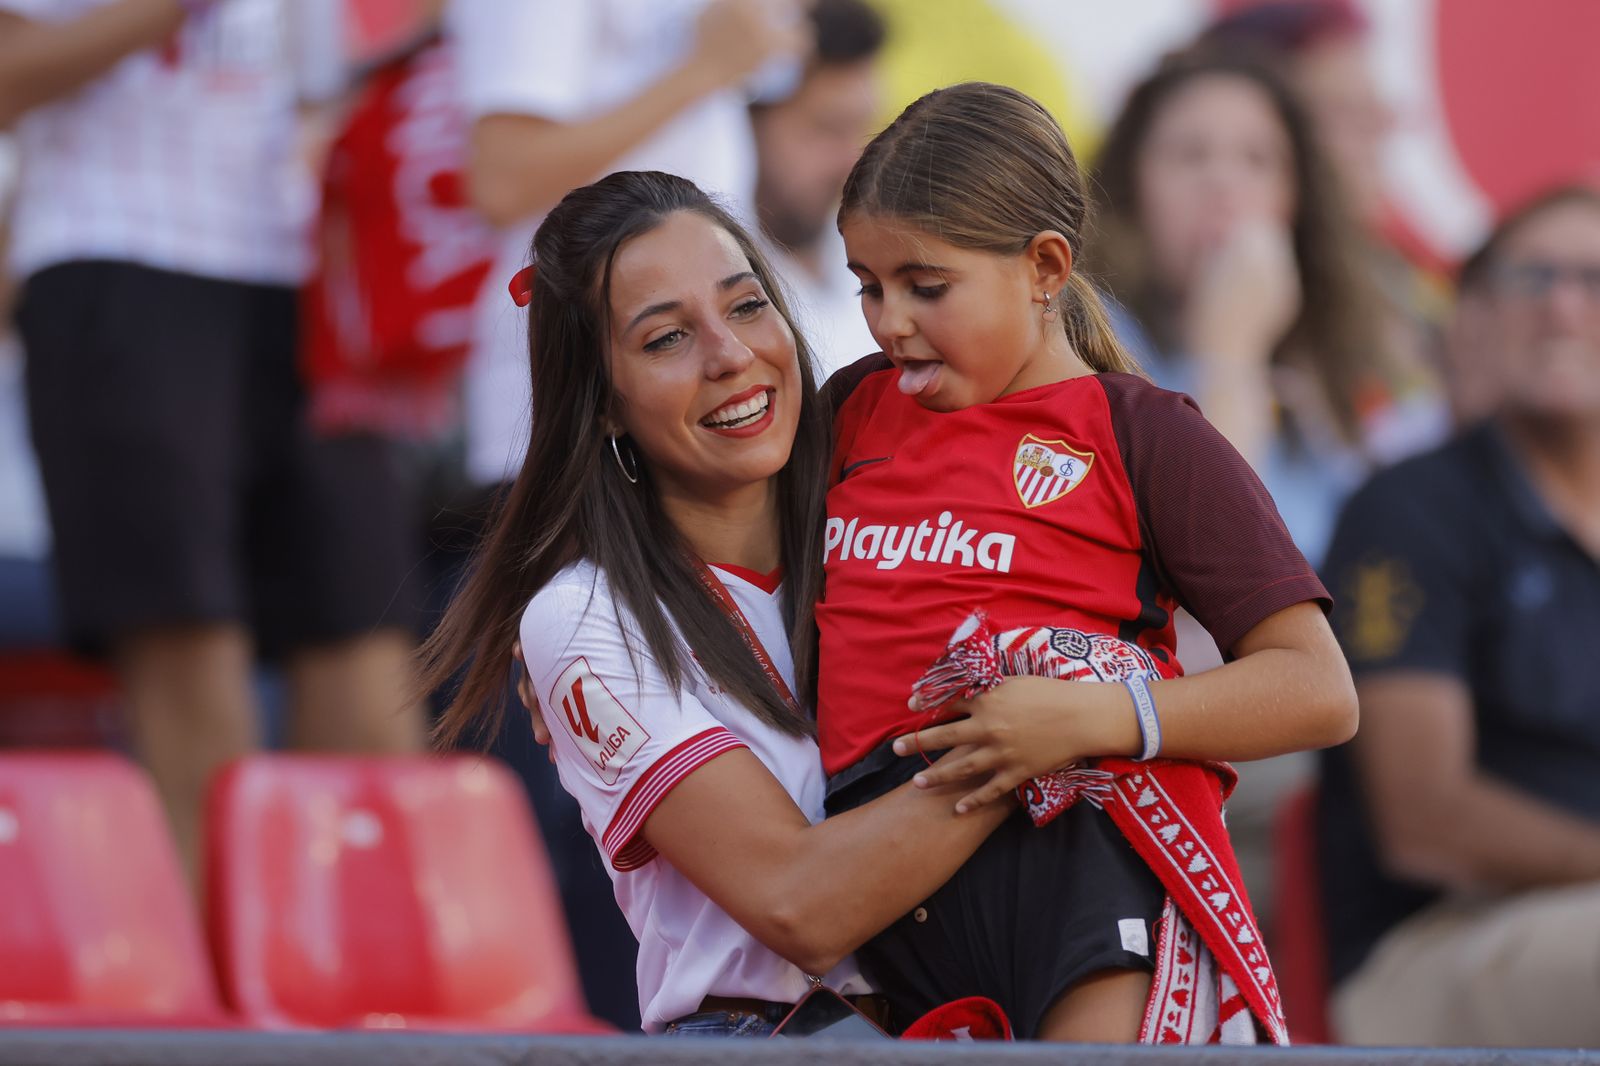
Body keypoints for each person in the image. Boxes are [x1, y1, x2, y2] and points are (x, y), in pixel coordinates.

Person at [816, 81, 1358, 1044]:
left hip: (1076, 873)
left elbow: (1318, 689)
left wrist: (1097, 715)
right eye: (868, 284)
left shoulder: (1146, 433)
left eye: (926, 287)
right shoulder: (852, 408)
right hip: (878, 895)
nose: (889, 321)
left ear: (1044, 267)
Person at [419, 170, 1016, 1036]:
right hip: (758, 1038)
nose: (731, 355)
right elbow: (799, 904)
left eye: (746, 306)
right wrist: (1033, 746)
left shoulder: (896, 518)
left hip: (970, 1024)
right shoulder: (583, 618)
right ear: (602, 404)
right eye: (666, 338)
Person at [0, 0, 425, 879]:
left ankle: (349, 948)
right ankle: (219, 957)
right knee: (188, 647)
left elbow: (324, 79)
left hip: (301, 269)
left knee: (365, 632)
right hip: (116, 250)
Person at [1317, 184, 1600, 1048]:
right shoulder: (1408, 510)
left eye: (1593, 279)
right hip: (1436, 946)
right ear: (1472, 320)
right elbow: (1423, 822)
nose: (1562, 306)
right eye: (1532, 277)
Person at [1088, 46, 1438, 567]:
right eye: (1189, 155)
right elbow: (1205, 566)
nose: (1222, 182)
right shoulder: (1082, 335)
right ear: (1132, 188)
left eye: (1257, 159)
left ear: (1296, 199)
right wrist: (1230, 354)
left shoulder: (1331, 369)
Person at [749, 0, 884, 377]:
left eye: (862, 129)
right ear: (752, 122)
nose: (852, 163)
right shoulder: (714, 277)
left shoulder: (877, 249)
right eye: (828, 128)